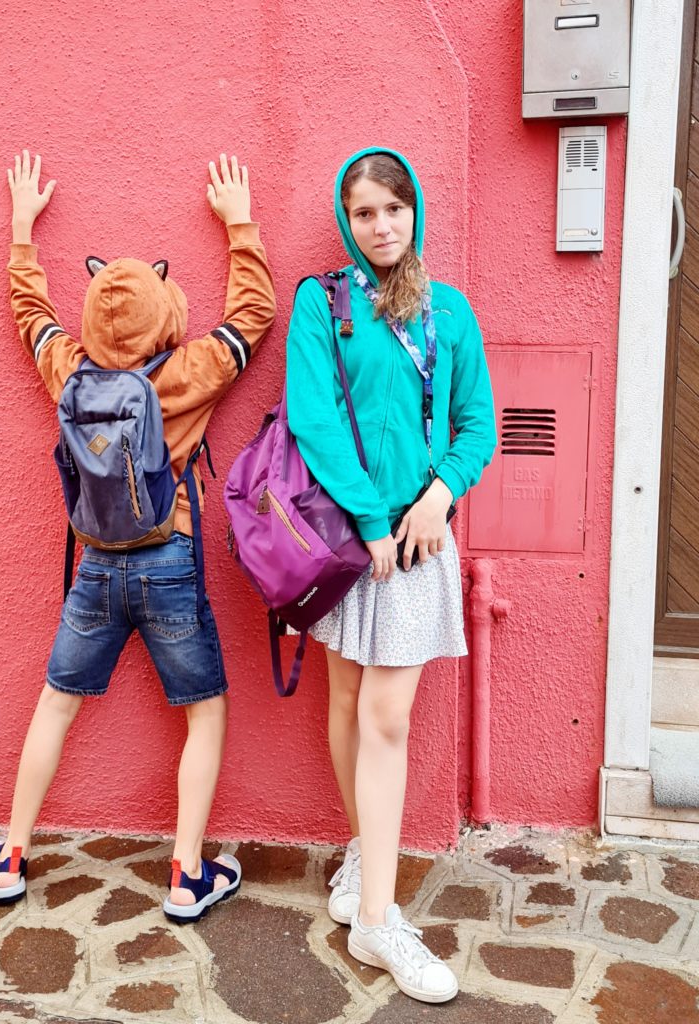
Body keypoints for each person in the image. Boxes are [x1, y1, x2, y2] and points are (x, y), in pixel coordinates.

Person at [0, 151, 275, 923]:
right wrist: (239, 223)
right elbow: (253, 315)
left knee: (57, 702)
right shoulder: (187, 373)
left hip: (96, 565)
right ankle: (186, 874)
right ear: (164, 312)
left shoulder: (69, 372)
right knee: (204, 710)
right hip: (170, 559)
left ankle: (9, 855)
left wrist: (21, 230)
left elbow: (31, 317)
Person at [285, 148, 496, 1002]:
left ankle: (375, 916)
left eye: (393, 209)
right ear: (347, 220)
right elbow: (315, 419)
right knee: (344, 702)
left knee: (384, 717)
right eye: (364, 212)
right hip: (346, 542)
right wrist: (371, 521)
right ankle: (365, 854)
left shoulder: (450, 311)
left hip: (417, 548)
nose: (381, 226)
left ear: (415, 213)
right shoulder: (323, 302)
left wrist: (439, 497)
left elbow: (477, 424)